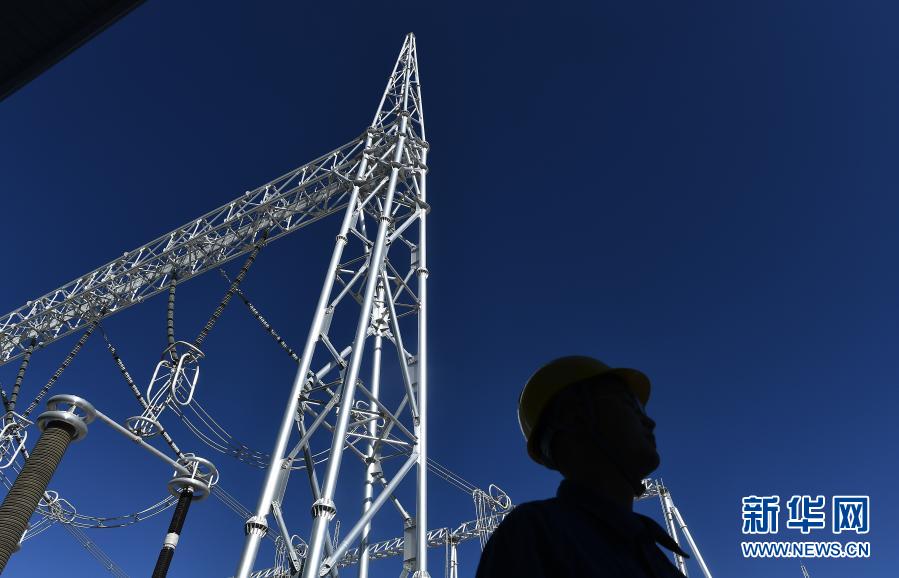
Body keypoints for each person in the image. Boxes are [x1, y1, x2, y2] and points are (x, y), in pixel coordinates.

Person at [475, 356, 688, 578]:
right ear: (572, 417)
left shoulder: (656, 558)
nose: (649, 422)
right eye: (631, 405)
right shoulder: (534, 536)